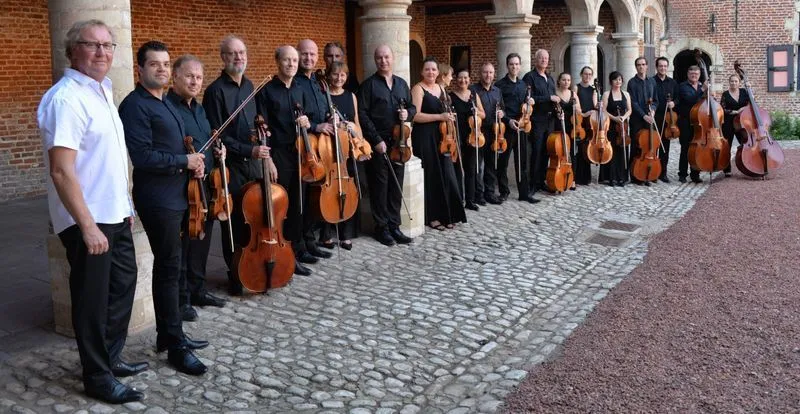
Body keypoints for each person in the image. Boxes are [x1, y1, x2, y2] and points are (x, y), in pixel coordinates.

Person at [38, 19, 145, 404]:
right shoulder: (66, 98)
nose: (102, 52)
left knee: (122, 286)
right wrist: (87, 226)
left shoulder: (101, 92)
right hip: (89, 219)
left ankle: (110, 358)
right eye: (92, 44)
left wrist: (126, 206)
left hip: (114, 214)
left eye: (108, 45)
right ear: (73, 51)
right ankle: (97, 377)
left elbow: (110, 161)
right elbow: (61, 170)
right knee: (91, 299)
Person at [119, 41, 208, 376]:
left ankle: (169, 334)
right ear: (139, 69)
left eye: (166, 64)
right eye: (154, 64)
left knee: (173, 266)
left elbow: (181, 146)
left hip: (179, 194)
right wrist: (183, 161)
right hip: (157, 198)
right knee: (169, 267)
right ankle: (174, 343)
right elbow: (142, 157)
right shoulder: (135, 106)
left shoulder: (167, 103)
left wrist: (194, 163)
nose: (161, 69)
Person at [165, 54, 227, 319]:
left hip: (205, 184)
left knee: (202, 239)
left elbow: (205, 139)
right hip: (182, 185)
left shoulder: (199, 109)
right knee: (185, 244)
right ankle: (183, 298)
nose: (194, 81)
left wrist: (218, 150)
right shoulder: (168, 107)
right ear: (175, 77)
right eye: (189, 76)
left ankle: (198, 288)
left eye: (199, 77)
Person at [202, 35, 263, 296]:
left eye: (242, 53)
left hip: (254, 163)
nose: (239, 57)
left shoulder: (250, 86)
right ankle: (236, 272)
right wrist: (249, 148)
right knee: (235, 221)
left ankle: (255, 264)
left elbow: (256, 123)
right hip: (232, 166)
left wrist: (261, 140)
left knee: (256, 218)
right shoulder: (215, 91)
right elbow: (217, 134)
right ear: (223, 58)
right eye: (233, 53)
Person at [255, 45, 317, 276]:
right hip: (279, 154)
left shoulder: (300, 88)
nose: (291, 64)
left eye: (294, 60)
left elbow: (308, 118)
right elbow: (262, 129)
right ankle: (282, 254)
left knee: (298, 204)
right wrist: (268, 159)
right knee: (282, 206)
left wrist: (307, 123)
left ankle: (297, 251)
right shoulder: (267, 91)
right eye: (286, 60)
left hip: (299, 153)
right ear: (277, 62)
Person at [357, 45, 416, 246]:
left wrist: (408, 113)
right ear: (375, 60)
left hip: (399, 144)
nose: (383, 61)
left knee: (395, 187)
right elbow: (362, 115)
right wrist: (375, 140)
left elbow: (412, 106)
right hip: (379, 144)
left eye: (386, 57)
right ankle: (381, 228)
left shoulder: (401, 84)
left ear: (393, 58)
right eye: (379, 57)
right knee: (379, 188)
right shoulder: (368, 86)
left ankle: (394, 226)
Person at [411, 57, 467, 230]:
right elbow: (415, 115)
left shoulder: (441, 89)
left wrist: (449, 117)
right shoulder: (418, 89)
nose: (431, 72)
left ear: (438, 72)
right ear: (422, 72)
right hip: (425, 136)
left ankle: (448, 214)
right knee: (432, 176)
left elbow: (446, 111)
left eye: (434, 69)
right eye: (427, 69)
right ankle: (433, 217)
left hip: (443, 137)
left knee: (446, 174)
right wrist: (439, 117)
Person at [319, 61, 364, 250]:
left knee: (349, 189)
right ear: (328, 76)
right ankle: (326, 233)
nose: (339, 78)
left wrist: (360, 143)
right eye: (336, 75)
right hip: (329, 149)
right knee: (328, 190)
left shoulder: (351, 96)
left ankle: (346, 234)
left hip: (347, 149)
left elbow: (356, 121)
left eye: (343, 75)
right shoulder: (323, 96)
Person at [295, 39, 334, 262]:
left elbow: (322, 110)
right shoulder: (296, 82)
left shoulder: (318, 82)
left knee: (314, 196)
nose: (308, 58)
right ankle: (300, 245)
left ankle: (311, 242)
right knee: (303, 197)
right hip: (305, 147)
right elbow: (298, 115)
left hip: (321, 148)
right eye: (304, 54)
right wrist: (316, 125)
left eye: (312, 54)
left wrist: (330, 117)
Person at [495, 53, 535, 203]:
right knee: (503, 162)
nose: (514, 67)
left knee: (523, 162)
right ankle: (504, 192)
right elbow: (498, 108)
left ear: (520, 66)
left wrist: (530, 101)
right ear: (507, 66)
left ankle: (524, 194)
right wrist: (508, 120)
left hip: (522, 128)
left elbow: (526, 107)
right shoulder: (499, 86)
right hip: (506, 128)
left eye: (517, 64)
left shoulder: (523, 85)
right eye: (512, 64)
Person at [523, 49, 557, 199]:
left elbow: (554, 98)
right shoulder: (529, 77)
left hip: (550, 120)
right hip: (537, 120)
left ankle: (541, 180)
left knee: (546, 152)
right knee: (536, 152)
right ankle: (532, 184)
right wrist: (549, 98)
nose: (544, 60)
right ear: (535, 60)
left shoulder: (550, 78)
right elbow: (530, 98)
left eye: (546, 58)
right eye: (541, 58)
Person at [450, 68, 486, 210]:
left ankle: (470, 200)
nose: (463, 80)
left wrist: (477, 111)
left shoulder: (473, 95)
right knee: (457, 170)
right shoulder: (450, 96)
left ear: (469, 80)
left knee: (471, 170)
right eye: (460, 77)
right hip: (457, 136)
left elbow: (483, 114)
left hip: (472, 137)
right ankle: (458, 199)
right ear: (456, 79)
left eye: (466, 78)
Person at [473, 63, 504, 205]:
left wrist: (502, 113)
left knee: (491, 164)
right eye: (485, 72)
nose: (488, 75)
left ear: (494, 74)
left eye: (491, 73)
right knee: (477, 164)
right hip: (478, 131)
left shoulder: (497, 91)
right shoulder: (473, 90)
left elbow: (503, 108)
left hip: (494, 131)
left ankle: (489, 193)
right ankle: (477, 194)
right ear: (481, 73)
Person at [626, 57, 658, 184]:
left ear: (647, 66)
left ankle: (649, 173)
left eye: (643, 64)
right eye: (638, 65)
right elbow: (632, 102)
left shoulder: (652, 82)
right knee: (636, 146)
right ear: (636, 67)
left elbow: (655, 100)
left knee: (650, 145)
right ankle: (635, 175)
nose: (641, 66)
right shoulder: (632, 83)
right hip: (637, 119)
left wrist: (653, 110)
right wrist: (643, 115)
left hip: (650, 118)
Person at [600, 71, 632, 187]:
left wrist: (623, 117)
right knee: (611, 150)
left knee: (622, 150)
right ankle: (611, 177)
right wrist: (615, 118)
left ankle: (622, 177)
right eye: (615, 79)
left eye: (619, 79)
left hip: (622, 125)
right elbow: (603, 110)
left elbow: (629, 110)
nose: (618, 82)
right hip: (611, 125)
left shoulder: (626, 94)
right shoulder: (606, 94)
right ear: (611, 81)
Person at [652, 57, 680, 183]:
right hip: (655, 117)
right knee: (654, 146)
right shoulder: (652, 81)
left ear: (667, 67)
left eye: (665, 66)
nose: (663, 68)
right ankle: (653, 172)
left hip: (668, 119)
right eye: (660, 66)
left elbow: (679, 98)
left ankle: (663, 173)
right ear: (657, 67)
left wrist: (674, 103)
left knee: (665, 147)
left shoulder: (673, 83)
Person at [678, 65, 706, 183]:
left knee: (697, 149)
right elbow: (690, 99)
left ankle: (695, 174)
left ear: (699, 75)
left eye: (696, 74)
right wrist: (702, 90)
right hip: (686, 122)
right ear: (688, 74)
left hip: (699, 123)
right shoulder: (682, 86)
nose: (694, 76)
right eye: (692, 74)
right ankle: (683, 174)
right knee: (685, 148)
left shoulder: (701, 86)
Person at [554, 72, 581, 191]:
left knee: (571, 153)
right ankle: (557, 176)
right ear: (559, 81)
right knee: (558, 152)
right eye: (564, 80)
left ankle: (572, 178)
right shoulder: (554, 93)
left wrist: (576, 108)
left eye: (568, 80)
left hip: (571, 127)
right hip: (558, 125)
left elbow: (579, 110)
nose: (566, 82)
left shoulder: (573, 94)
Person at [721, 74, 750, 177]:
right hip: (728, 123)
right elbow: (722, 108)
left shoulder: (743, 92)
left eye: (736, 81)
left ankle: (747, 165)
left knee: (745, 144)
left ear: (739, 83)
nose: (733, 83)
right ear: (729, 82)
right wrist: (733, 111)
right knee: (727, 146)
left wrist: (743, 108)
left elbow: (750, 102)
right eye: (732, 81)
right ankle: (727, 169)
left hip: (742, 122)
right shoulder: (725, 94)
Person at [573, 66, 597, 186]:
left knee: (586, 147)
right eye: (585, 74)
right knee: (579, 147)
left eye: (589, 74)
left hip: (590, 122)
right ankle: (577, 176)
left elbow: (594, 105)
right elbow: (575, 105)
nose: (587, 76)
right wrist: (583, 113)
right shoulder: (576, 87)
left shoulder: (593, 89)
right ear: (581, 74)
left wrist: (598, 107)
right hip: (579, 120)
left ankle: (586, 177)